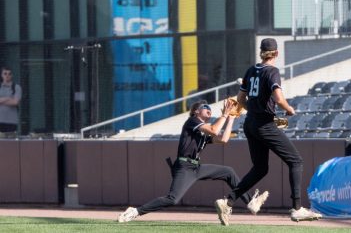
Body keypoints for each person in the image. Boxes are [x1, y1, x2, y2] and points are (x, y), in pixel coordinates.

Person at [214, 38, 322, 225]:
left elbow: (240, 99)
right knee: (296, 161)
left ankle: (228, 201)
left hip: (250, 125)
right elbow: (278, 98)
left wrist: (256, 111)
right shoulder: (272, 71)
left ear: (261, 52)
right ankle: (297, 209)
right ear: (276, 54)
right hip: (264, 125)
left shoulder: (251, 70)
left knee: (260, 168)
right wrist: (289, 109)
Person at [118, 99, 269, 224]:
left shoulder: (203, 130)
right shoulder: (192, 121)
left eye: (210, 108)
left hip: (196, 167)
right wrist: (224, 114)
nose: (209, 109)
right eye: (205, 107)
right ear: (197, 111)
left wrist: (230, 118)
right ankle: (135, 211)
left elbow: (223, 139)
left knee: (228, 172)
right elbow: (215, 131)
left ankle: (250, 202)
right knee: (172, 199)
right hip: (184, 167)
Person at [0, 67, 22, 134]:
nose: (7, 76)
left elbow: (15, 102)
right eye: (5, 74)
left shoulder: (16, 87)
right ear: (1, 75)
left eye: (9, 74)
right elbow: (12, 100)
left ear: (12, 75)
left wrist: (1, 100)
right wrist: (8, 98)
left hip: (11, 121)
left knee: (10, 142)